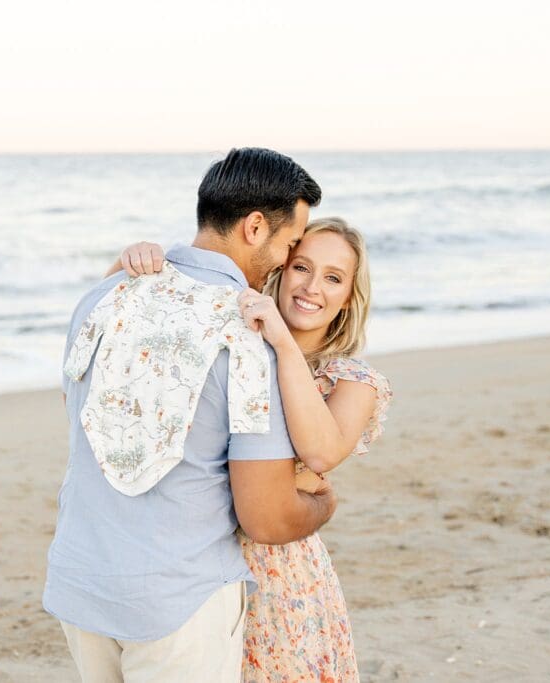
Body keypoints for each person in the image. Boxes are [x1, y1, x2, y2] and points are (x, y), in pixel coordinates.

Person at [43, 147, 334, 683]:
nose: (286, 260)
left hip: (80, 585)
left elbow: (79, 417)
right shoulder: (249, 333)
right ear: (253, 227)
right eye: (290, 243)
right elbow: (267, 518)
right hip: (178, 604)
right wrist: (321, 506)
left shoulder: (101, 298)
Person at [116, 217, 392, 681]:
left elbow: (322, 453)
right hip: (198, 559)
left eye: (333, 278)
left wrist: (283, 344)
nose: (312, 287)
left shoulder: (352, 381)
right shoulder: (233, 340)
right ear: (280, 270)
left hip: (282, 576)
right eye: (302, 267)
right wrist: (130, 265)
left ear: (348, 298)